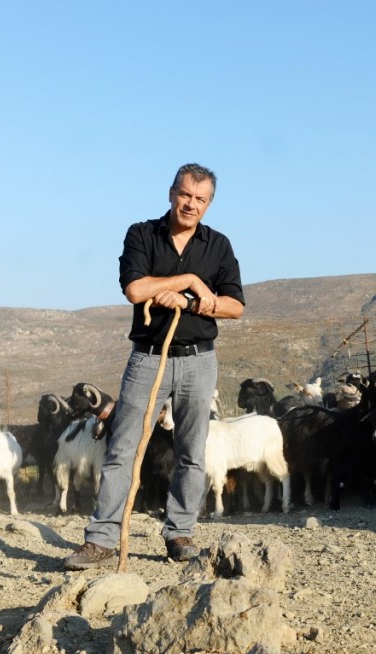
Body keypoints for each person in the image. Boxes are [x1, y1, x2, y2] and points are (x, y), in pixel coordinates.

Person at [63, 162, 245, 569]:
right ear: (171, 193)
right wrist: (189, 280)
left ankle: (179, 533)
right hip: (147, 358)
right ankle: (101, 540)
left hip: (199, 360)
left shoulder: (219, 245)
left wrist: (190, 302)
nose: (191, 204)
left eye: (201, 199)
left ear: (209, 204)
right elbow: (135, 289)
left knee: (191, 452)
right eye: (186, 195)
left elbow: (235, 306)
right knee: (123, 448)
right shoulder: (142, 234)